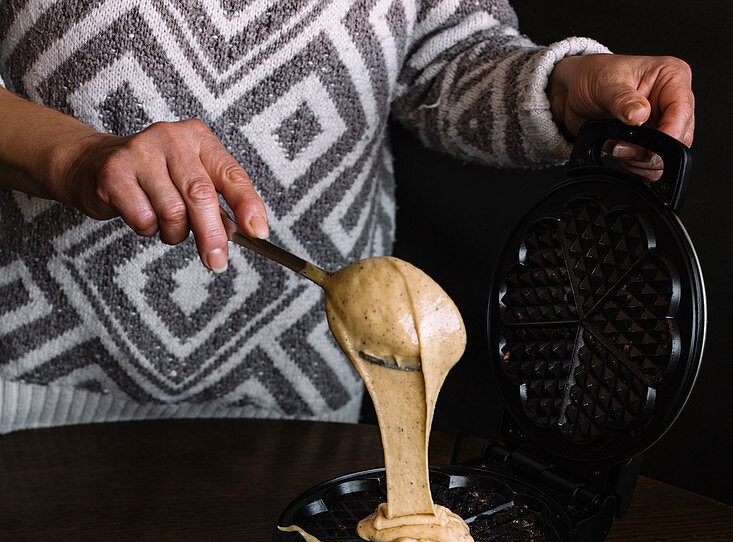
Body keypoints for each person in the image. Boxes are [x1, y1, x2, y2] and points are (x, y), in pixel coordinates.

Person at [0, 2, 694, 434]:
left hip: (301, 405)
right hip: (36, 399)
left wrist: (557, 90)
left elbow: (444, 51)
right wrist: (76, 156)